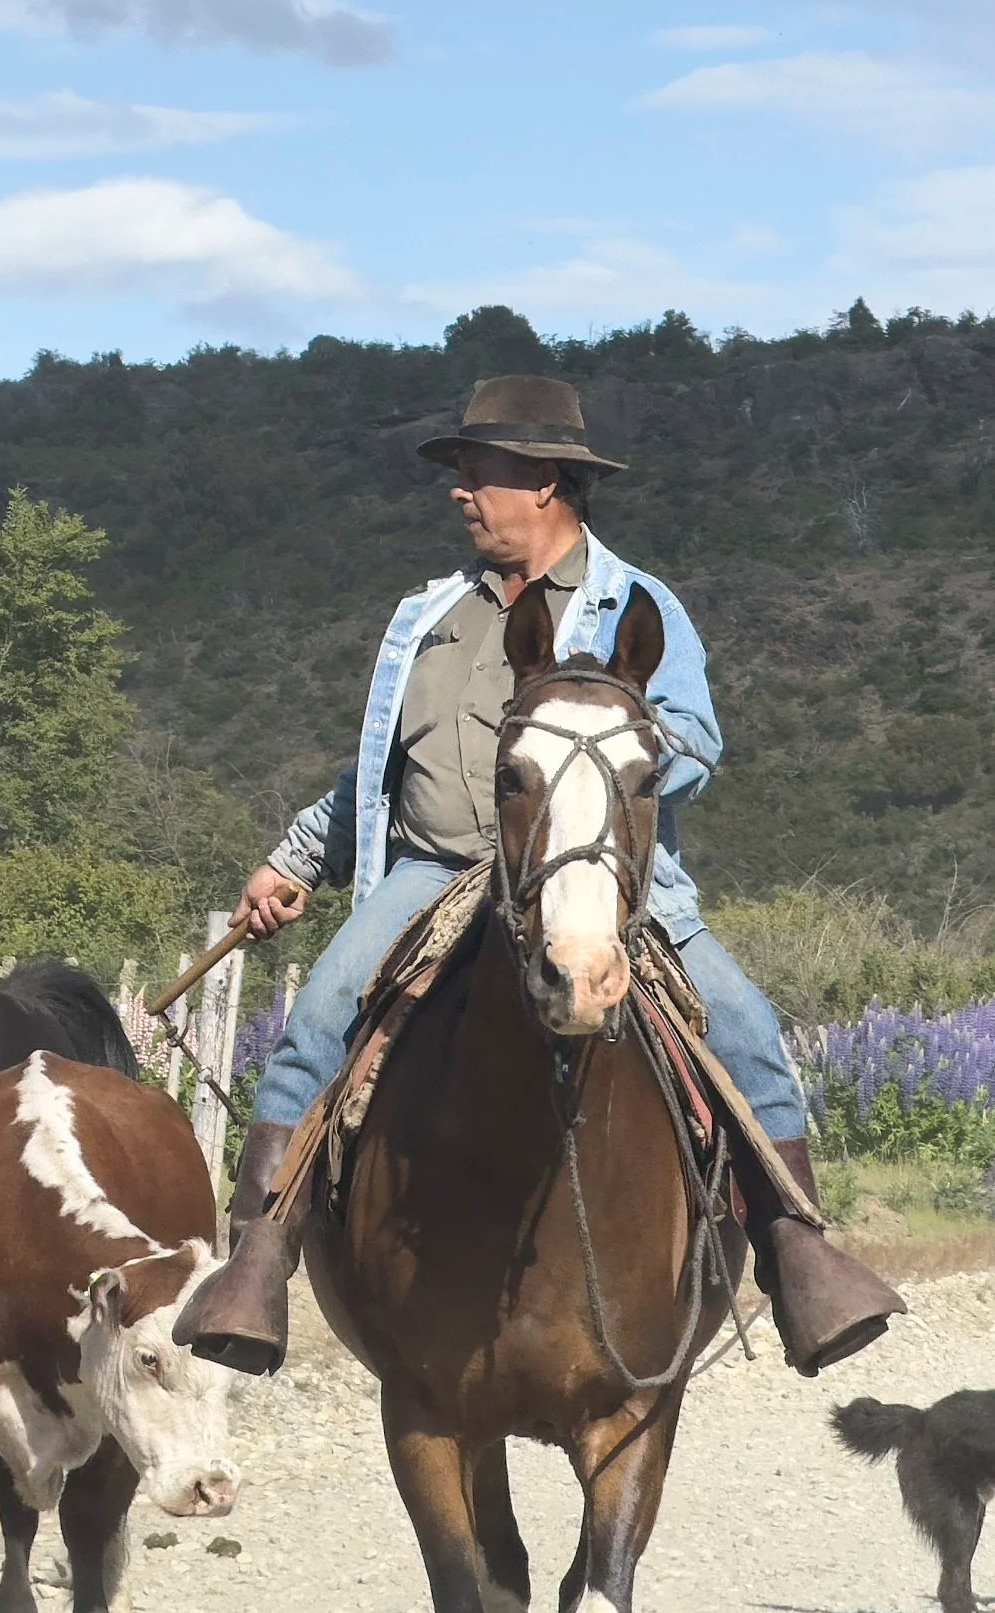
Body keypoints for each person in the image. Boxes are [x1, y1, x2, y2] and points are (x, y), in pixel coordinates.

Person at [175, 376, 905, 1377]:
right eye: (464, 474)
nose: (459, 492)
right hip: (429, 869)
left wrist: (609, 756)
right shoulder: (424, 617)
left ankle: (797, 1258)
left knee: (744, 1027)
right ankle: (256, 1265)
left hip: (591, 875)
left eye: (479, 474)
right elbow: (379, 762)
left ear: (547, 484)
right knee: (316, 1023)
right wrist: (295, 857)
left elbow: (694, 739)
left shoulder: (634, 604)